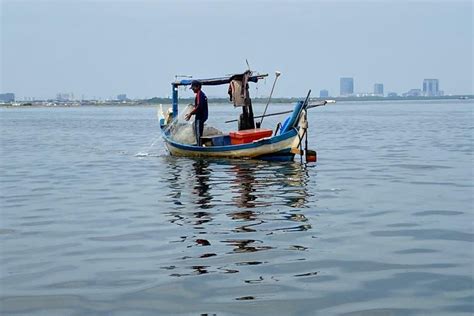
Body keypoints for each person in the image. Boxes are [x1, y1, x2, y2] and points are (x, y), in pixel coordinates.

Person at [185, 80, 208, 146]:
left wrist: (190, 114)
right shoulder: (201, 94)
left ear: (198, 87)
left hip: (200, 118)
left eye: (193, 88)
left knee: (198, 134)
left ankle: (199, 147)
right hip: (202, 116)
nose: (192, 90)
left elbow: (199, 107)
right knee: (197, 129)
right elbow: (199, 107)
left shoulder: (199, 94)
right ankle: (199, 144)